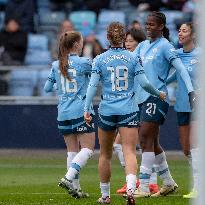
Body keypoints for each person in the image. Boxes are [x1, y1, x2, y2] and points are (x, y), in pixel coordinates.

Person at [84, 22, 166, 205]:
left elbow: (92, 87)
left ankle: (105, 196)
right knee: (129, 151)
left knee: (105, 154)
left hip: (107, 110)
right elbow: (144, 83)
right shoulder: (133, 58)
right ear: (123, 38)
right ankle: (131, 187)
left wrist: (86, 108)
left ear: (107, 37)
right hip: (128, 110)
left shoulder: (99, 59)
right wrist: (158, 93)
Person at [132, 11, 195, 198]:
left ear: (161, 26)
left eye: (152, 24)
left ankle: (143, 186)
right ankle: (168, 182)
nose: (148, 27)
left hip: (157, 98)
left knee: (144, 138)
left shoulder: (166, 46)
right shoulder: (142, 46)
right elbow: (129, 64)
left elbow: (181, 70)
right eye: (147, 24)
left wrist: (191, 90)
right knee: (153, 142)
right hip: (141, 98)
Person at [44, 31, 95, 198]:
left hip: (63, 112)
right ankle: (68, 178)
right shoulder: (84, 62)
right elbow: (98, 74)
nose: (82, 45)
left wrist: (61, 84)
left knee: (72, 152)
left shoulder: (55, 65)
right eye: (80, 43)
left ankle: (76, 189)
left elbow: (47, 88)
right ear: (76, 45)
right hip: (81, 110)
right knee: (87, 149)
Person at [115, 28, 159, 195]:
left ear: (139, 43)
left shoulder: (139, 61)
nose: (127, 44)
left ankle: (145, 181)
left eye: (131, 41)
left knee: (142, 144)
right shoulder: (128, 60)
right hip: (131, 105)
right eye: (125, 41)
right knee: (131, 145)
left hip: (142, 103)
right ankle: (135, 180)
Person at [166, 22, 199, 199]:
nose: (180, 33)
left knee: (195, 146)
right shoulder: (176, 54)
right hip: (181, 105)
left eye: (184, 30)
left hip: (197, 106)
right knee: (186, 149)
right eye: (179, 30)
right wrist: (161, 83)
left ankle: (199, 186)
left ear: (193, 35)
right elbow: (176, 75)